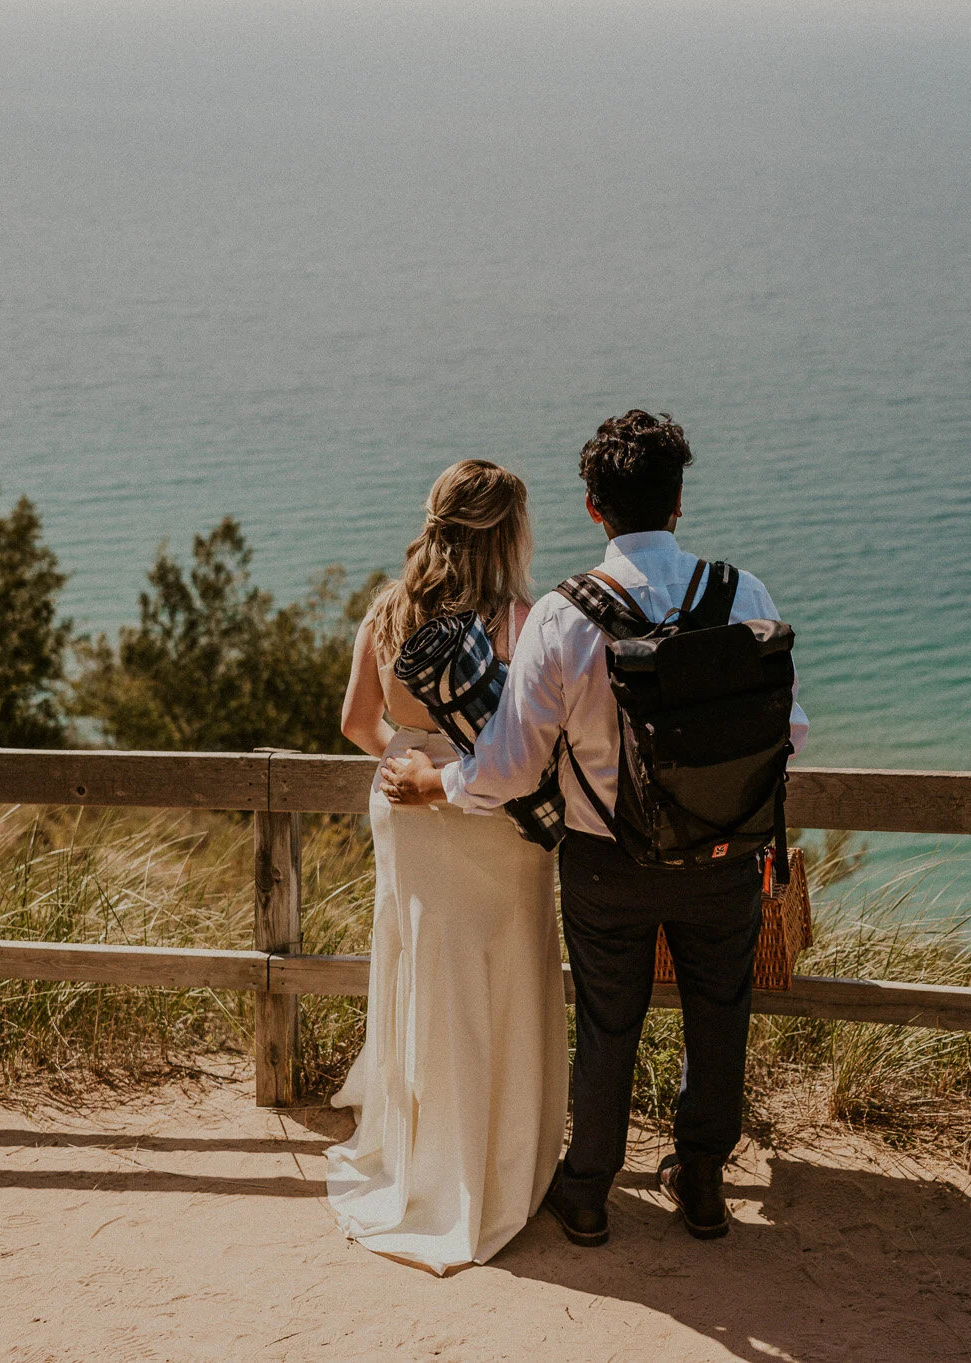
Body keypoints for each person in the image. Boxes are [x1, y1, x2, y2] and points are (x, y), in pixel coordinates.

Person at [384, 411, 809, 1247]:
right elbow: (788, 733)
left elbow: (507, 766)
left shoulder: (565, 615)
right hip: (726, 857)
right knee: (720, 1012)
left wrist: (437, 780)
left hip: (606, 860)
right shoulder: (743, 594)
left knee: (608, 1023)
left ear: (592, 507)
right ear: (680, 501)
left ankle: (587, 1190)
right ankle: (703, 1181)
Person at [325, 459, 568, 1275]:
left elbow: (358, 719)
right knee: (504, 978)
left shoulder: (385, 617)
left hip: (406, 811)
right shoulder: (522, 622)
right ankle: (500, 1161)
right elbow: (538, 749)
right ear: (505, 536)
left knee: (423, 974)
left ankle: (420, 1154)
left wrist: (406, 754)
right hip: (489, 819)